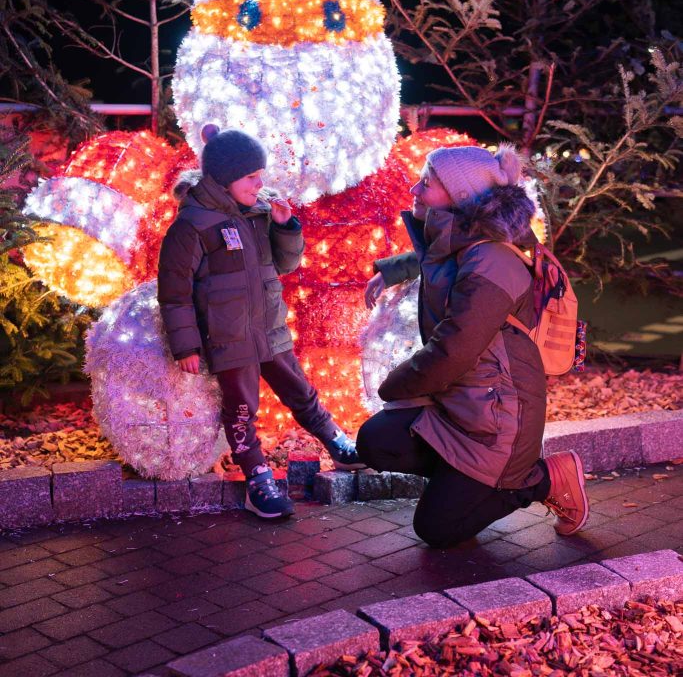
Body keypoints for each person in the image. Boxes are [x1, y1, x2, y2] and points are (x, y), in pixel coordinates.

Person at [358, 144, 589, 549]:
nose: (415, 187)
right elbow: (434, 258)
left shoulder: (492, 262)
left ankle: (540, 479)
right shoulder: (468, 244)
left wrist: (391, 387)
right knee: (376, 441)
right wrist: (389, 272)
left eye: (426, 183)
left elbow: (454, 351)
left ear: (459, 198)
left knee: (437, 530)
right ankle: (464, 481)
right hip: (463, 405)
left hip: (499, 424)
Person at [157, 124, 364, 520]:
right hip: (229, 336)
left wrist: (285, 227)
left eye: (260, 175)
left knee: (300, 390)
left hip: (269, 328)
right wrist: (185, 345)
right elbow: (175, 292)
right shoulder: (192, 225)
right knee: (241, 409)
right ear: (225, 178)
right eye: (251, 176)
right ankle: (257, 477)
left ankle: (336, 442)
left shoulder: (258, 214)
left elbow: (284, 265)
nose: (260, 183)